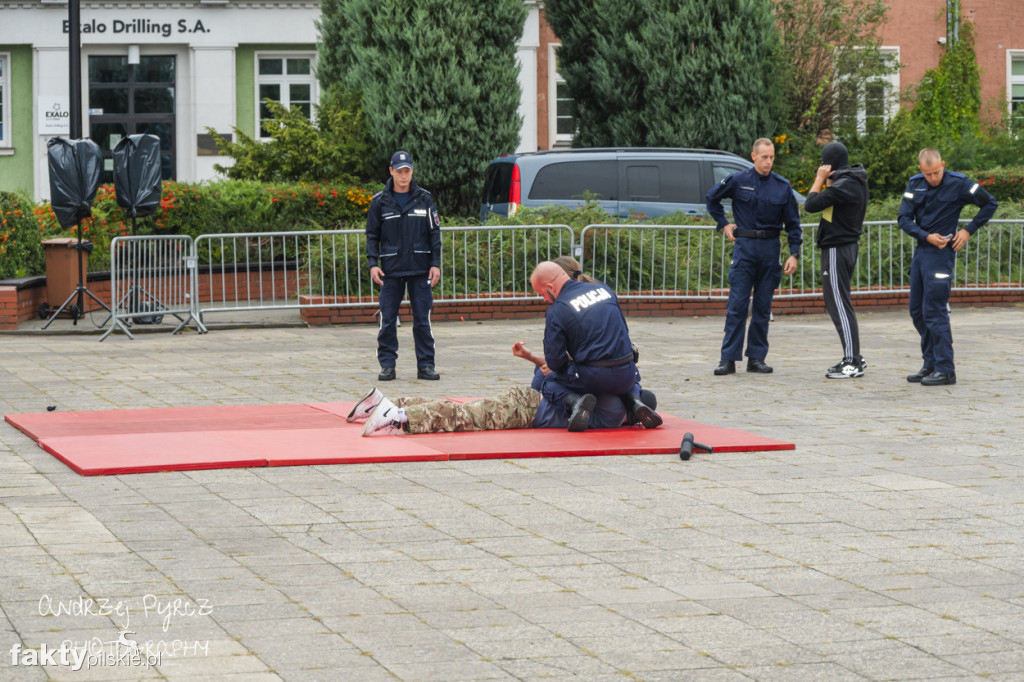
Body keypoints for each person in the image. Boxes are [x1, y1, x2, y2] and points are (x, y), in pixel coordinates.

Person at [897, 148, 998, 386]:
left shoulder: (959, 183)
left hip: (941, 255)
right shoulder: (915, 184)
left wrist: (967, 230)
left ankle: (946, 369)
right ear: (920, 170)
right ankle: (930, 364)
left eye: (936, 172)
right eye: (928, 174)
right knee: (917, 312)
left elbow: (989, 204)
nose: (933, 178)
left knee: (934, 311)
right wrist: (924, 235)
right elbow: (903, 218)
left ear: (943, 164)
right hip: (922, 251)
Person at [706, 138, 802, 376]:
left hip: (770, 248)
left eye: (771, 157)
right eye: (764, 157)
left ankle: (756, 358)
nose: (768, 161)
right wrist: (724, 225)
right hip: (745, 247)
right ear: (753, 156)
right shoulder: (739, 181)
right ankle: (728, 359)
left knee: (762, 306)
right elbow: (712, 199)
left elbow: (793, 223)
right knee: (737, 305)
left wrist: (794, 253)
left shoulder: (782, 185)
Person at [529, 261, 660, 432]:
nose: (544, 299)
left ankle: (576, 403)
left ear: (550, 287)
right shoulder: (604, 290)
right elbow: (624, 332)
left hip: (594, 379)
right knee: (622, 378)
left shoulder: (558, 310)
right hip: (627, 374)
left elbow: (555, 362)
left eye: (542, 294)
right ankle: (633, 400)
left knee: (548, 381)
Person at [365, 150, 442, 382]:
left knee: (422, 321)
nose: (403, 176)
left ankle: (426, 366)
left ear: (412, 171)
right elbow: (371, 235)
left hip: (420, 270)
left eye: (407, 171)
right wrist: (372, 263)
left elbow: (434, 233)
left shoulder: (425, 198)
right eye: (399, 171)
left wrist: (435, 264)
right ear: (391, 171)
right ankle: (387, 366)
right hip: (390, 270)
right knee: (387, 320)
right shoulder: (379, 201)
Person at [803, 141, 870, 379]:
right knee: (841, 303)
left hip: (836, 248)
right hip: (844, 246)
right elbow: (830, 210)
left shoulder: (844, 185)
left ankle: (852, 362)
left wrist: (820, 178)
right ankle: (852, 356)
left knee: (839, 305)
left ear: (828, 164)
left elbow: (810, 204)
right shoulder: (852, 180)